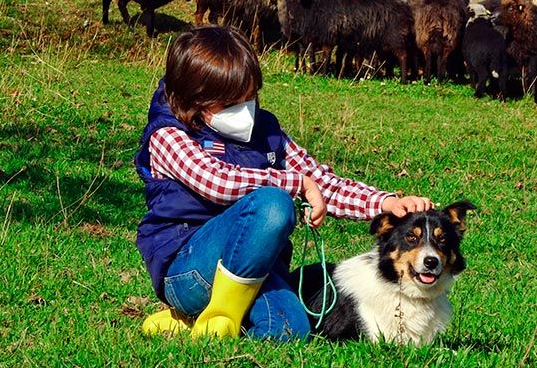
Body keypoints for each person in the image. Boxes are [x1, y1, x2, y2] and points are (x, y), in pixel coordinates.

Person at [135, 25, 432, 341]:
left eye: (250, 97)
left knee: (290, 330)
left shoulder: (266, 131)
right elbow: (215, 181)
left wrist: (385, 203)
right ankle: (213, 312)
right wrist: (296, 185)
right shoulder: (168, 135)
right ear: (195, 100)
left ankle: (193, 323)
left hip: (256, 271)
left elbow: (319, 180)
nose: (245, 111)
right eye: (230, 104)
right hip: (189, 269)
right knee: (272, 204)